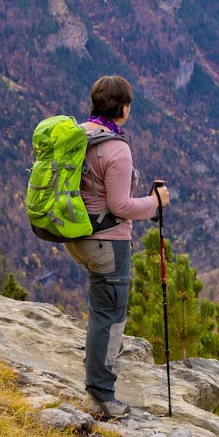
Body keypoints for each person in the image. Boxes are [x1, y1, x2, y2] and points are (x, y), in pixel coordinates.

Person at [64, 75, 169, 418]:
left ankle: (96, 372)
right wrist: (155, 203)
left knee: (99, 311)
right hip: (107, 243)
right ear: (123, 109)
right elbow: (121, 206)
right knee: (110, 316)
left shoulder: (77, 135)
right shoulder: (117, 149)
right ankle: (103, 396)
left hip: (76, 238)